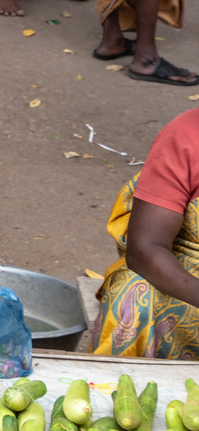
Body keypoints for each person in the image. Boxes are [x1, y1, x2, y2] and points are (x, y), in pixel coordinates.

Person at [92, 108, 199, 358]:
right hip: (189, 278)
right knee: (131, 297)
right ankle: (119, 388)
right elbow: (146, 247)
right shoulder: (189, 134)